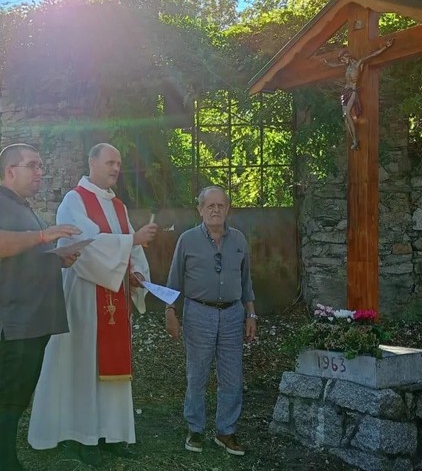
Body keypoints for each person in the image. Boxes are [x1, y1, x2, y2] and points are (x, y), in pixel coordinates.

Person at [28, 143, 157, 467]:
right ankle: (82, 435)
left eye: (119, 162)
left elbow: (130, 250)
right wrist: (132, 241)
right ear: (92, 162)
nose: (116, 168)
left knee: (112, 368)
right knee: (82, 364)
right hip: (83, 298)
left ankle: (112, 434)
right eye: (110, 162)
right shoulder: (74, 200)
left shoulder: (118, 207)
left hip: (114, 298)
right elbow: (81, 245)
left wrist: (137, 272)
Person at [0, 143, 81, 471]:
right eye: (32, 165)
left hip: (30, 323)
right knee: (5, 401)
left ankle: (7, 462)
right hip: (8, 323)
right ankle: (1, 465)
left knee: (16, 401)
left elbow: (23, 255)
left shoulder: (23, 207)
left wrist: (57, 259)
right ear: (10, 172)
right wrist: (43, 236)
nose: (40, 172)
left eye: (40, 165)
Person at [165, 185, 257, 456]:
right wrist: (170, 312)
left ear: (227, 209)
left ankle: (225, 431)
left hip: (232, 314)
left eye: (221, 205)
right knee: (198, 373)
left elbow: (246, 281)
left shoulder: (239, 240)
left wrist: (250, 314)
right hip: (198, 313)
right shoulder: (187, 240)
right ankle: (195, 429)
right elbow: (174, 280)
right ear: (200, 209)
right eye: (210, 205)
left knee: (232, 375)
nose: (216, 210)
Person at [322, 38, 394, 150]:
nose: (342, 61)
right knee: (345, 117)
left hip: (353, 91)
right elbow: (335, 65)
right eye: (341, 60)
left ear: (347, 56)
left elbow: (372, 55)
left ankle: (355, 139)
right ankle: (353, 139)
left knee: (347, 114)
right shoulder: (345, 67)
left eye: (343, 59)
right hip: (345, 92)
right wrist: (327, 63)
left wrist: (385, 47)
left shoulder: (358, 63)